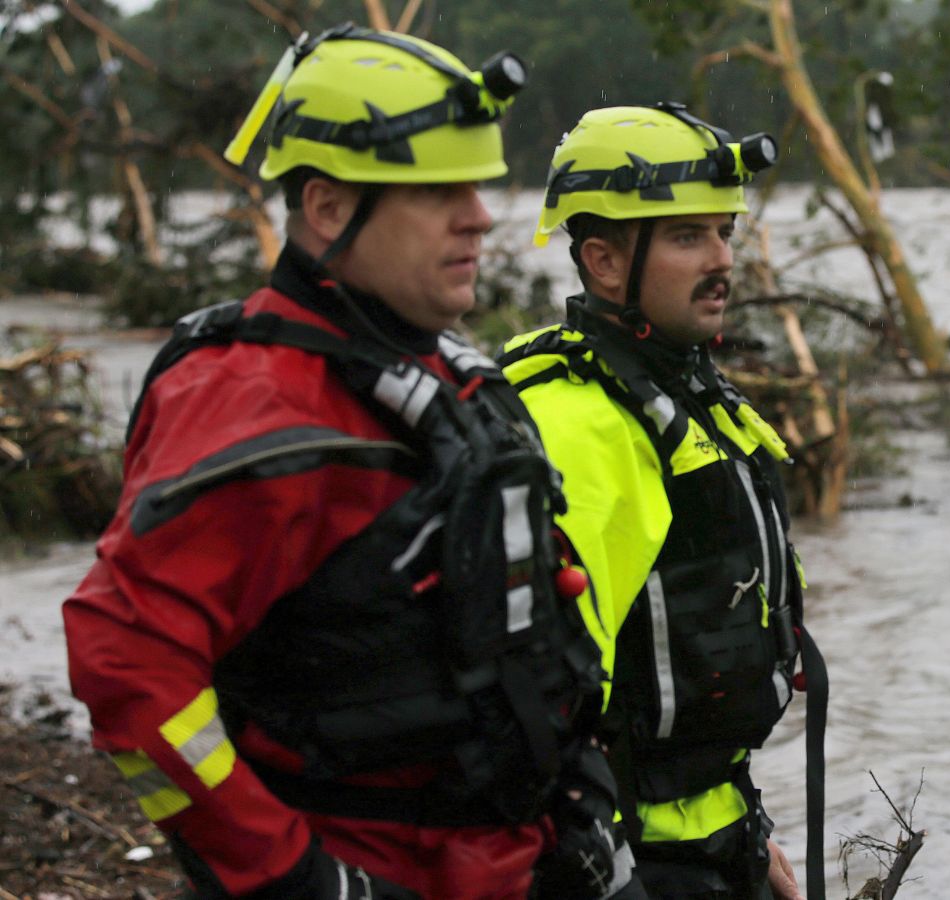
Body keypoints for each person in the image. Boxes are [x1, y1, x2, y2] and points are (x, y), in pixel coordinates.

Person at [61, 25, 638, 900]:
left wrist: (585, 800)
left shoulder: (451, 375)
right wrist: (289, 875)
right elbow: (126, 667)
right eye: (438, 191)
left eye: (476, 184)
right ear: (328, 209)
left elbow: (535, 631)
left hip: (521, 860)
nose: (480, 215)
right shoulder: (254, 403)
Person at [498, 103, 827, 900]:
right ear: (605, 262)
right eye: (688, 237)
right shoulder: (576, 429)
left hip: (718, 837)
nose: (722, 259)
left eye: (724, 232)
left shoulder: (680, 394)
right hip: (627, 861)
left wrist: (747, 835)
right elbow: (542, 713)